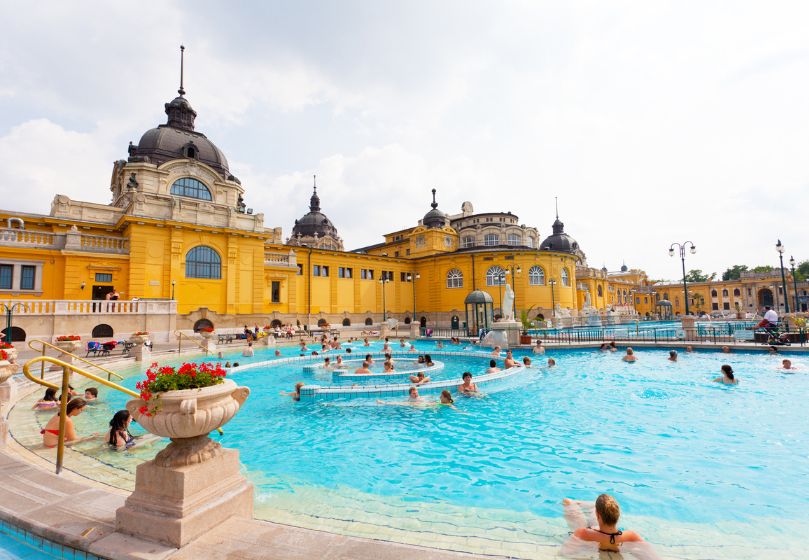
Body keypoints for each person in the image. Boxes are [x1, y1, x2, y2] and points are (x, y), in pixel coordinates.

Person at [561, 495, 645, 554]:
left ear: (598, 515)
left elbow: (564, 553)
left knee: (568, 502)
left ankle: (578, 503)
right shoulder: (631, 536)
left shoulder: (582, 533)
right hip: (598, 527)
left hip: (590, 531)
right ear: (618, 515)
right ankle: (594, 506)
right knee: (595, 506)